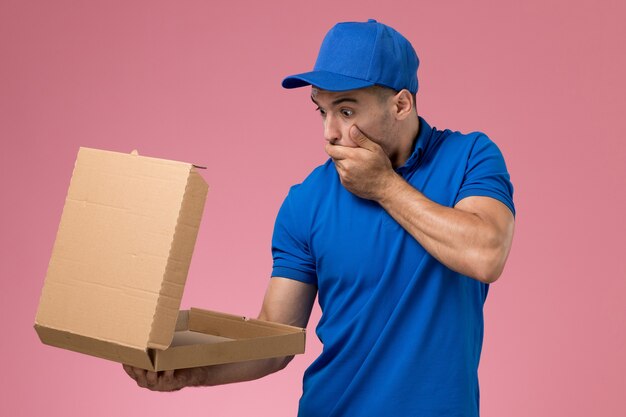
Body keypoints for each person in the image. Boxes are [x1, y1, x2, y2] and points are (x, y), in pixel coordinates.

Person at [124, 19, 515, 417]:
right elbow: (276, 340)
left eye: (346, 110)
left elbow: (485, 254)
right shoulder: (306, 201)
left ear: (400, 104)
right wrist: (193, 372)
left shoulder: (470, 157)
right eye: (322, 111)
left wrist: (383, 186)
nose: (329, 132)